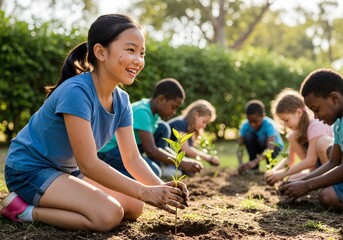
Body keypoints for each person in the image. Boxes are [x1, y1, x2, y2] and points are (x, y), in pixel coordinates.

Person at [0, 14, 189, 231]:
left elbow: (132, 158)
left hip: (65, 172)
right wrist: (145, 191)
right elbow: (89, 164)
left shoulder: (122, 100)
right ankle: (23, 211)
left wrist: (161, 187)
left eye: (142, 53)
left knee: (135, 205)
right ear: (100, 52)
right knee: (108, 215)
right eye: (130, 50)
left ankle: (54, 199)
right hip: (29, 170)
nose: (138, 60)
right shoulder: (77, 92)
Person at [97, 78, 203, 178]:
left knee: (163, 128)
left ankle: (154, 166)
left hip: (124, 147)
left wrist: (183, 160)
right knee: (153, 173)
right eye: (173, 107)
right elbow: (151, 150)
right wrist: (182, 162)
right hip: (108, 151)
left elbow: (159, 148)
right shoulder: (142, 112)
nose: (174, 112)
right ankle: (103, 175)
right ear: (161, 99)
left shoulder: (153, 112)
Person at [279, 68, 343, 211]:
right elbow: (334, 161)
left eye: (316, 109)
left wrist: (308, 186)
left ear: (334, 98)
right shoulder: (338, 123)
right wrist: (301, 181)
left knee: (328, 197)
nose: (316, 116)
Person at [264, 88, 333, 185]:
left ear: (299, 112)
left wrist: (281, 174)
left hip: (330, 168)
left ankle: (329, 183)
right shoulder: (295, 134)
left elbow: (311, 161)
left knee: (323, 141)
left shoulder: (316, 126)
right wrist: (273, 172)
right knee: (287, 182)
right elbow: (289, 160)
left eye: (286, 120)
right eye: (282, 121)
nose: (284, 125)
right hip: (314, 170)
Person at [167, 99, 220, 167]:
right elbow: (185, 149)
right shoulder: (180, 124)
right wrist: (208, 158)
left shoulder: (188, 127)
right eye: (204, 121)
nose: (204, 126)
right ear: (196, 114)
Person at [237, 99, 284, 173]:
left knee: (262, 139)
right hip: (259, 147)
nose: (252, 124)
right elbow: (240, 146)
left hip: (275, 148)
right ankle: (254, 168)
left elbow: (270, 148)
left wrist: (255, 161)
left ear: (263, 115)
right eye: (250, 121)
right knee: (248, 136)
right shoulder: (245, 125)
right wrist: (240, 163)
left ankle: (270, 166)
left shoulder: (269, 125)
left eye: (255, 121)